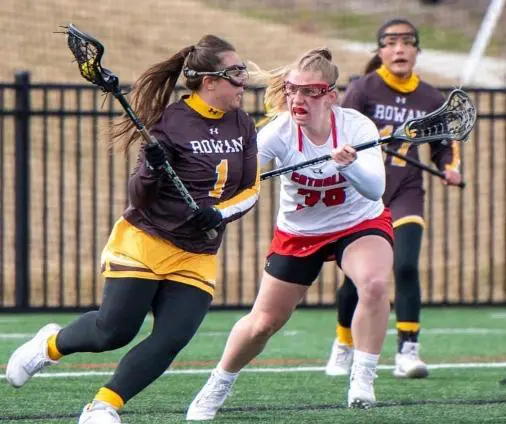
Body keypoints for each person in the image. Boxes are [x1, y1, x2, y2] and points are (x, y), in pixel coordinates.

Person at [5, 34, 259, 424]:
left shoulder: (243, 123)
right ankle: (49, 345)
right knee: (114, 332)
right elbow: (140, 197)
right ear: (209, 81)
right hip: (147, 239)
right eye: (236, 73)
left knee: (172, 337)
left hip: (197, 252)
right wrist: (153, 168)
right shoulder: (168, 122)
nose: (244, 80)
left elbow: (251, 189)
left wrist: (220, 214)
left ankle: (103, 406)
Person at [185, 47, 394, 421]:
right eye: (292, 89)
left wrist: (347, 166)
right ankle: (217, 384)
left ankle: (362, 378)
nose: (297, 99)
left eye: (308, 92)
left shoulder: (356, 127)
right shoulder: (278, 133)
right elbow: (239, 176)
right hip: (299, 232)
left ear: (330, 96)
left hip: (358, 222)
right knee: (264, 322)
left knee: (375, 284)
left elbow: (375, 189)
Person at [324, 18, 462, 379]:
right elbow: (342, 133)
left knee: (404, 267)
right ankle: (344, 344)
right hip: (365, 195)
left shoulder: (431, 98)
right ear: (380, 51)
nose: (399, 49)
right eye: (391, 42)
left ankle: (407, 352)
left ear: (417, 49)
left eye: (407, 42)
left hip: (407, 191)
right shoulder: (363, 89)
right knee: (359, 278)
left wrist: (449, 166)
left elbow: (444, 146)